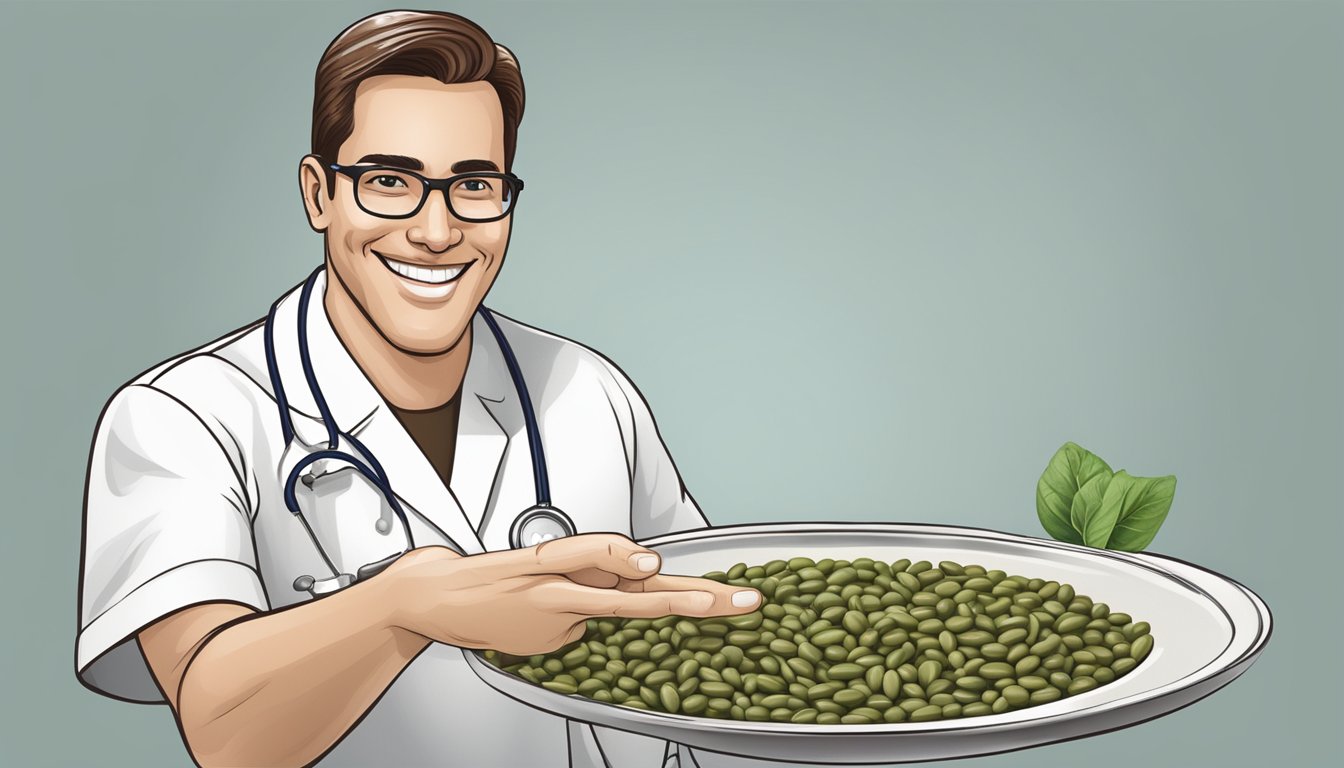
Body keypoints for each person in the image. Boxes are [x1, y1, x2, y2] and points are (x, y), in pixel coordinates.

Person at [74, 10, 760, 767]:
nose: (436, 232)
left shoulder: (588, 390)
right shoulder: (186, 416)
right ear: (318, 194)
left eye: (473, 184)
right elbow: (221, 729)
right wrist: (404, 607)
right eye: (390, 182)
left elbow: (705, 649)